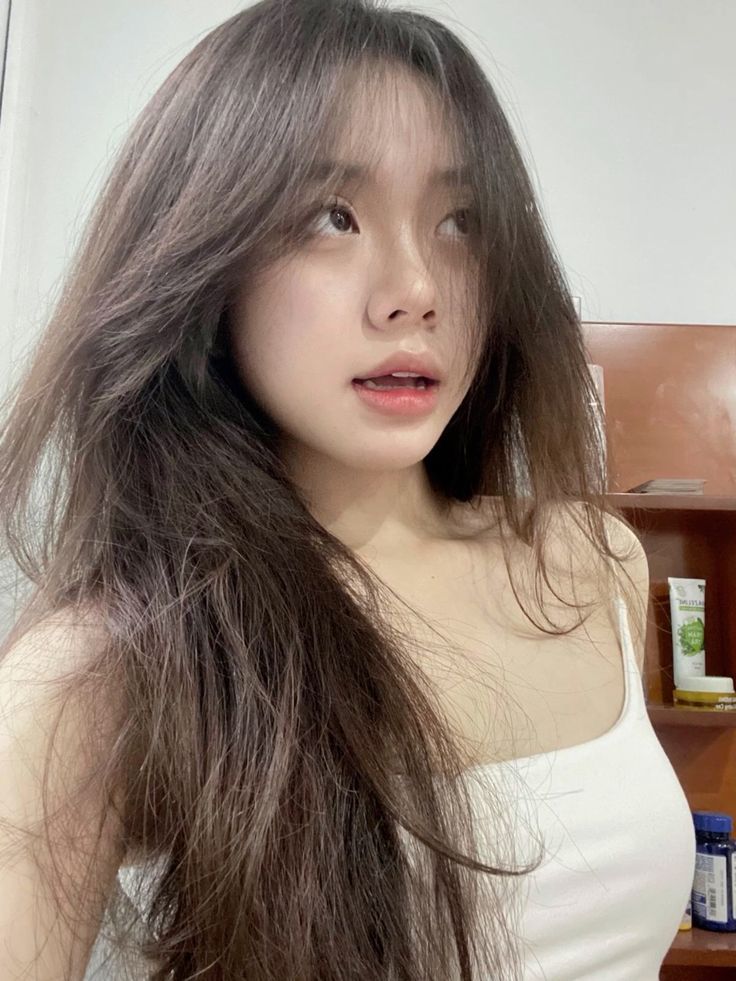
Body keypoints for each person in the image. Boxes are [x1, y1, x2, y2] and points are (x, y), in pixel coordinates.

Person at [0, 0, 695, 978]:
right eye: (332, 216)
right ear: (205, 259)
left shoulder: (593, 563)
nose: (416, 289)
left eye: (459, 222)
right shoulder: (108, 665)